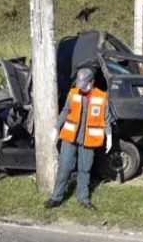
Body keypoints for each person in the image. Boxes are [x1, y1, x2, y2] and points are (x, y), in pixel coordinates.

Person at [44, 68, 115, 211]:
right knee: (64, 167)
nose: (81, 87)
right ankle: (56, 197)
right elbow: (65, 111)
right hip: (70, 137)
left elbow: (106, 119)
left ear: (92, 82)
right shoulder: (73, 93)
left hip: (89, 140)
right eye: (80, 83)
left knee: (85, 169)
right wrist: (56, 127)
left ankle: (83, 199)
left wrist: (109, 136)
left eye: (84, 84)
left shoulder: (101, 97)